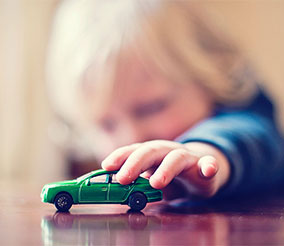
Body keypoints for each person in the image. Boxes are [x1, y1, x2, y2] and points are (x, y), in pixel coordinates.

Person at [47, 0, 284, 201]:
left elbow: (251, 136)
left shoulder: (248, 120)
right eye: (106, 124)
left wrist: (201, 152)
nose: (132, 138)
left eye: (151, 107)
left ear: (211, 80)